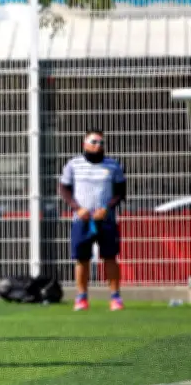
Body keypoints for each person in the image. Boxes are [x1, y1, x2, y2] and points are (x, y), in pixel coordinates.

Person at [59, 128, 127, 311]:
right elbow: (64, 189)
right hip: (82, 219)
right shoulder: (73, 164)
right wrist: (77, 208)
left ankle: (115, 298)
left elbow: (121, 192)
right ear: (85, 144)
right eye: (94, 142)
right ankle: (81, 298)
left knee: (110, 257)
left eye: (101, 142)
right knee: (82, 259)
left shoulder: (113, 165)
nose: (98, 145)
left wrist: (107, 208)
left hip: (106, 220)